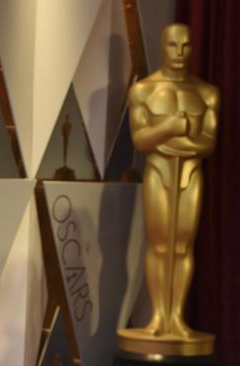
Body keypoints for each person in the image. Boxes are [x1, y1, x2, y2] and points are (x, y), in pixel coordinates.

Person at [128, 23, 219, 337]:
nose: (179, 53)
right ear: (162, 46)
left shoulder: (207, 93)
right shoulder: (144, 90)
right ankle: (157, 317)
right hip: (159, 172)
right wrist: (172, 127)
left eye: (186, 46)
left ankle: (176, 317)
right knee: (158, 244)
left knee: (181, 245)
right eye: (172, 45)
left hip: (189, 174)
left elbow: (208, 143)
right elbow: (141, 139)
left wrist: (171, 139)